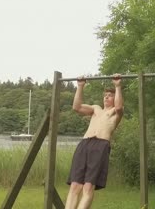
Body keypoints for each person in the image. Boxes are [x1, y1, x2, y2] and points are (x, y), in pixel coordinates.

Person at [65, 74, 124, 209]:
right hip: (85, 144)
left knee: (88, 186)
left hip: (100, 146)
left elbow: (120, 107)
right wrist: (80, 86)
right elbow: (77, 107)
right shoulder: (96, 109)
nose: (106, 97)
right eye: (105, 95)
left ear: (115, 98)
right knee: (75, 185)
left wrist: (117, 86)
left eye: (110, 95)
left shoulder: (116, 112)